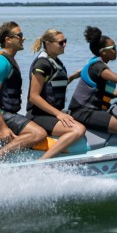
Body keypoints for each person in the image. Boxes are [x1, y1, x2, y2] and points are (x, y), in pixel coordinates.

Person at [0, 21, 47, 163]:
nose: (23, 38)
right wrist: (3, 128)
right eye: (20, 35)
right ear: (8, 40)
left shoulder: (7, 60)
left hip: (6, 114)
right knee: (39, 133)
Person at [26, 29, 87, 158]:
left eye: (65, 41)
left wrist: (73, 77)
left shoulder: (56, 62)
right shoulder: (42, 64)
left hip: (51, 114)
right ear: (48, 44)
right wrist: (59, 114)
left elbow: (52, 86)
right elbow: (34, 96)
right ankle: (43, 161)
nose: (65, 45)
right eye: (61, 43)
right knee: (78, 129)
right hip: (38, 115)